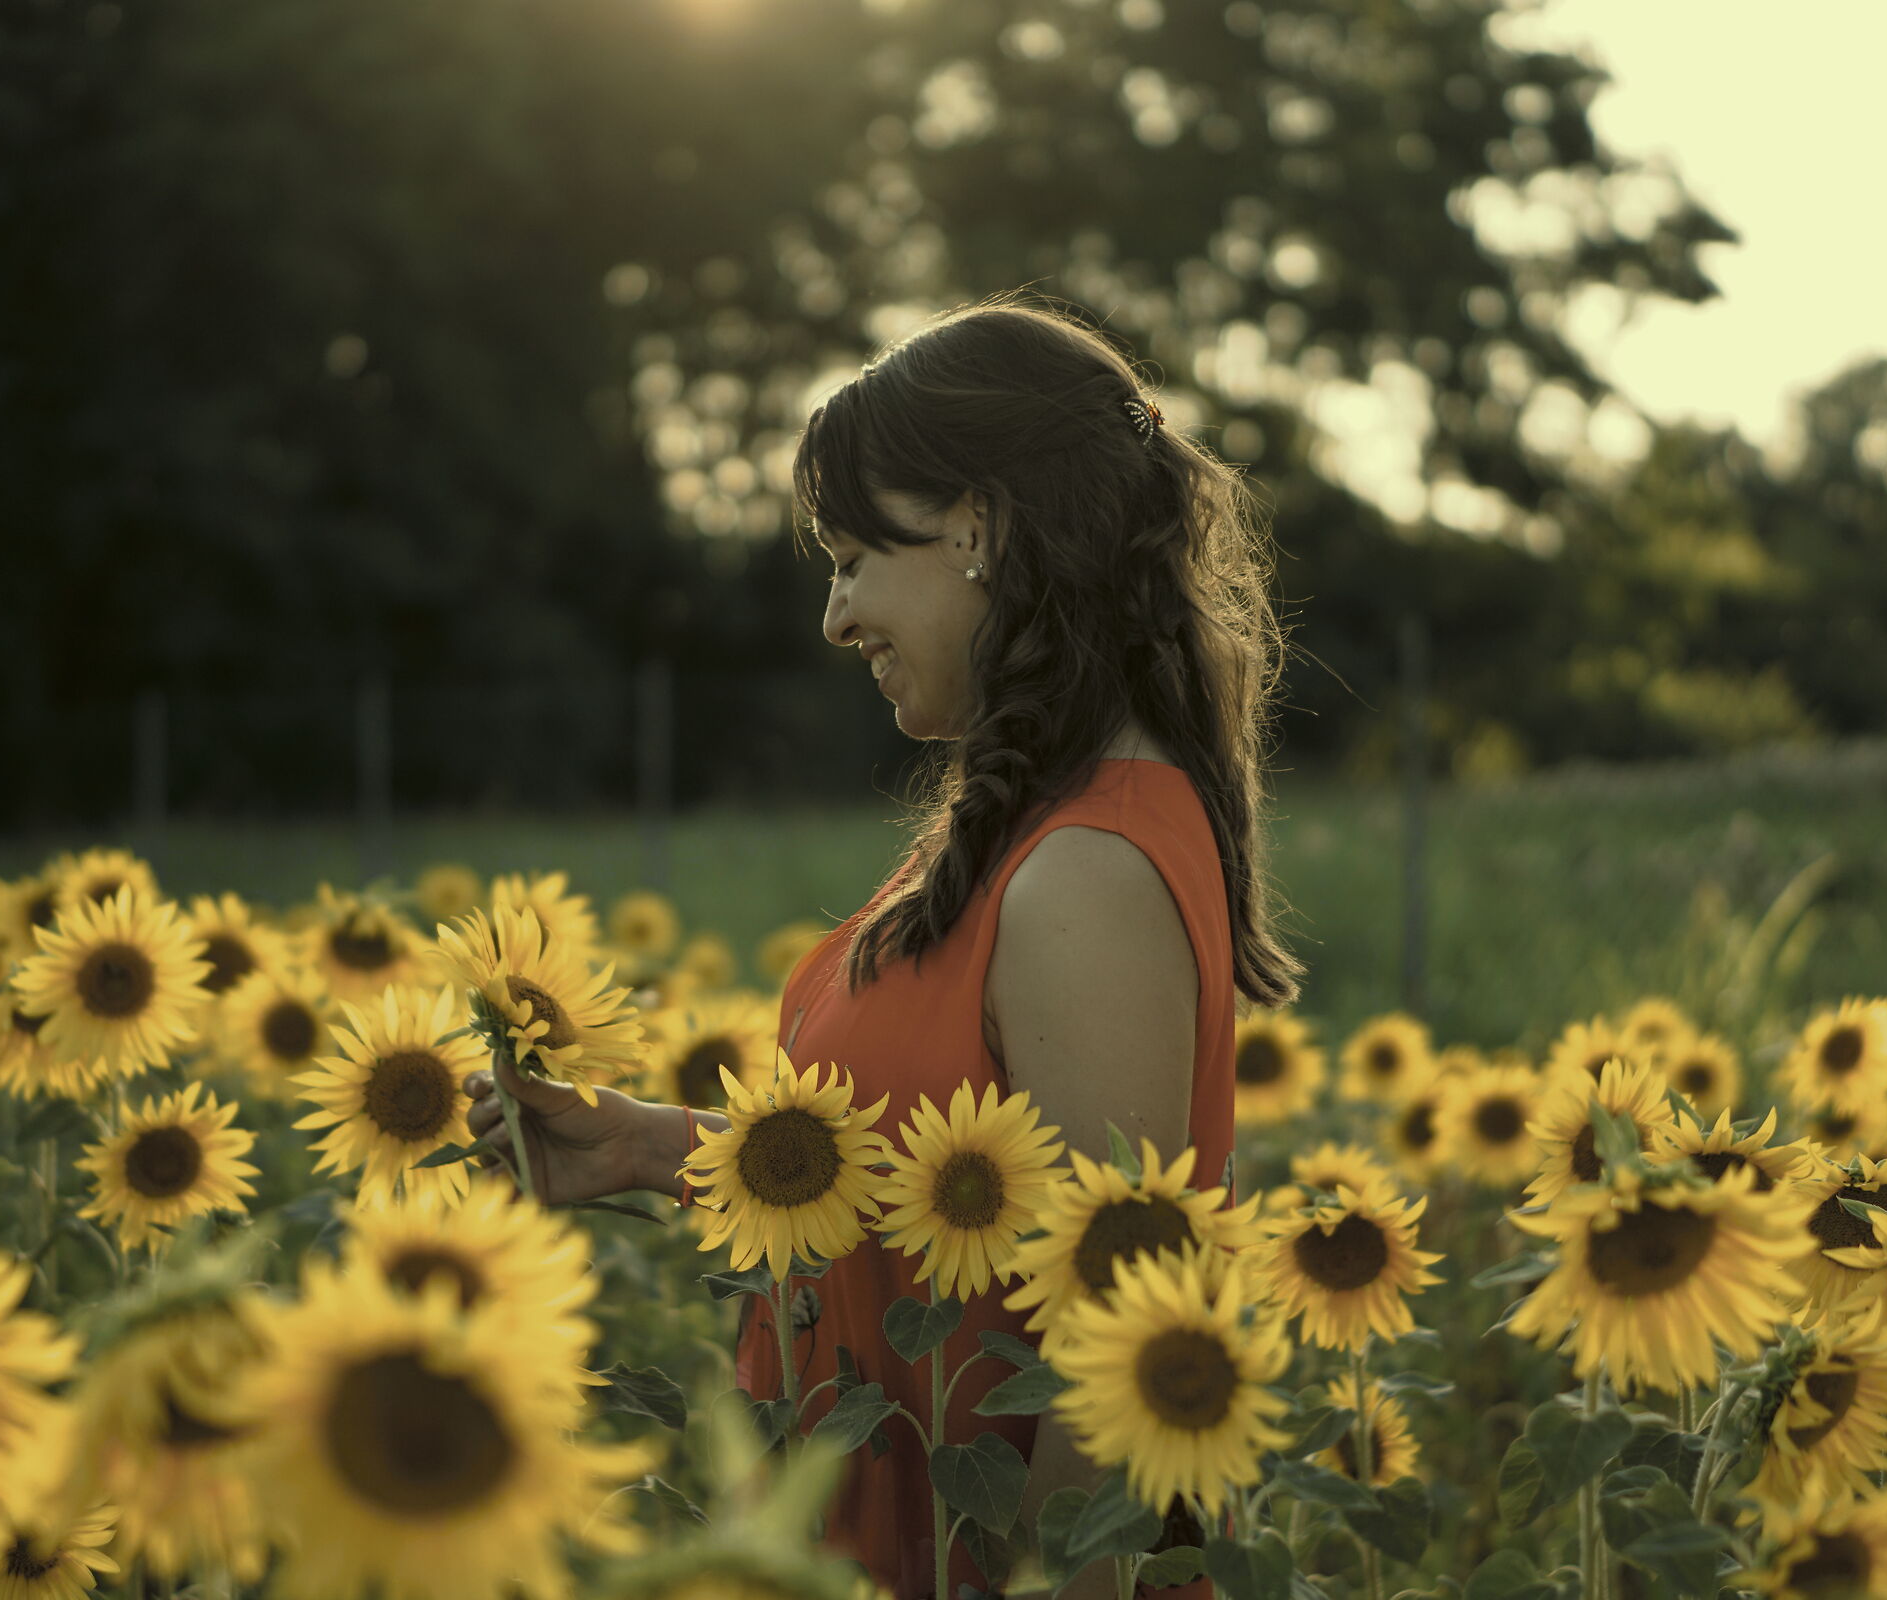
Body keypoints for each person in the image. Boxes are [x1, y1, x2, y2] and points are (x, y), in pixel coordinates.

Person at [460, 294, 1307, 1599]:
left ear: (980, 528)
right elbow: (947, 1195)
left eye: (855, 558)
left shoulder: (1088, 872)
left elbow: (1113, 1380)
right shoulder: (1029, 827)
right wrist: (651, 1148)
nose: (835, 618)